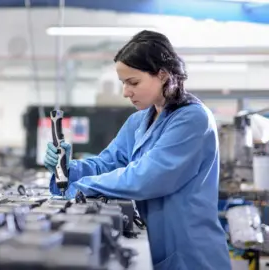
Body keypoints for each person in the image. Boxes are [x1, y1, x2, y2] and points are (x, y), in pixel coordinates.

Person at [44, 30, 231, 270]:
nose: (125, 92)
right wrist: (68, 169)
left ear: (162, 75)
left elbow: (148, 177)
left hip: (191, 251)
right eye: (123, 83)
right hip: (157, 246)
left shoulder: (193, 119)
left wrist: (81, 187)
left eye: (133, 82)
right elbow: (107, 163)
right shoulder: (138, 121)